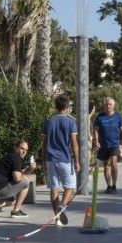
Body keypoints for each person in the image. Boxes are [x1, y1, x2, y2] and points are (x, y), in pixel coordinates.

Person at [41, 93, 78, 226]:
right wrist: (78, 162)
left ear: (56, 106)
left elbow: (44, 144)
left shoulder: (49, 122)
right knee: (70, 187)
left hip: (50, 159)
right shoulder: (70, 122)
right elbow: (74, 144)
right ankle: (62, 206)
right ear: (67, 106)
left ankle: (57, 218)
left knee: (54, 189)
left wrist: (43, 161)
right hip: (65, 159)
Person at [0, 137, 36, 219]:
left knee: (13, 200)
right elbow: (18, 178)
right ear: (16, 148)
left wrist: (31, 169)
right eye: (22, 148)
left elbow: (21, 172)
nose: (24, 151)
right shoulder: (15, 157)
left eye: (26, 150)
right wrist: (24, 176)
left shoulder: (10, 157)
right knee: (26, 182)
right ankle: (16, 212)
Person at [92, 97, 122, 194]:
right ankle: (109, 186)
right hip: (103, 145)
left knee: (114, 163)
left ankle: (114, 185)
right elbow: (96, 131)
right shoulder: (100, 117)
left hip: (114, 144)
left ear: (113, 105)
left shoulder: (118, 116)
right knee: (106, 166)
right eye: (106, 104)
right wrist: (96, 141)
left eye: (110, 104)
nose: (108, 106)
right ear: (104, 106)